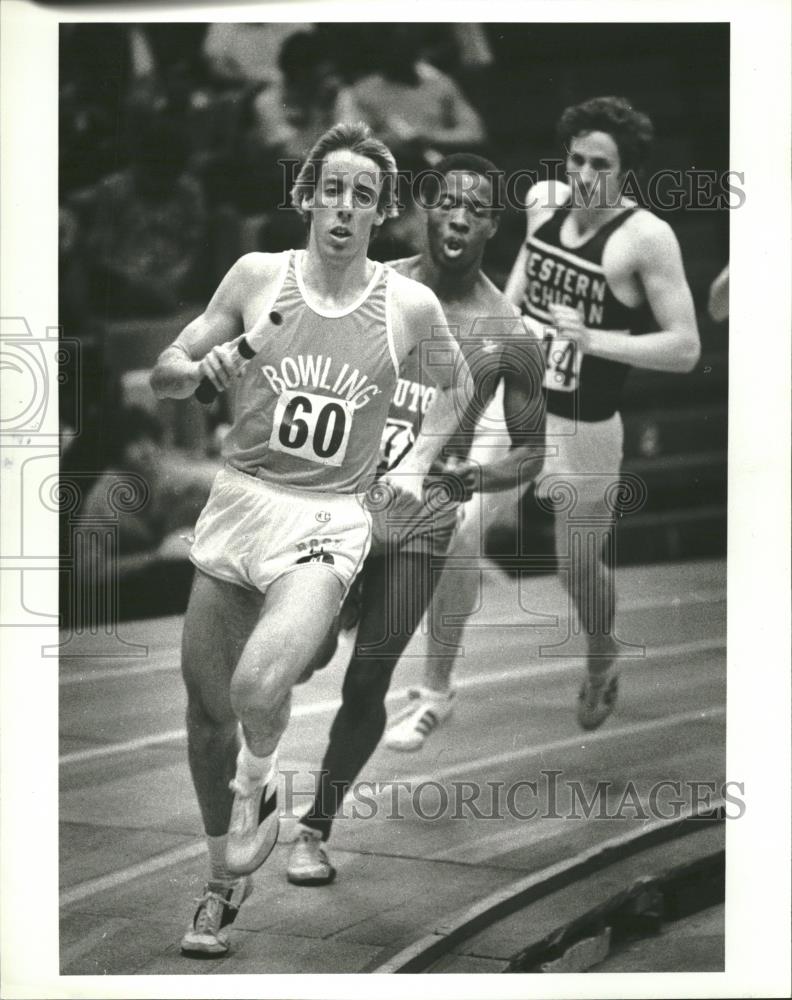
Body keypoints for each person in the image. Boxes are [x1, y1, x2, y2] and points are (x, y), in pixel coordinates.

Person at [149, 122, 470, 957]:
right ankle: (220, 887)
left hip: (327, 520)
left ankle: (258, 791)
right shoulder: (258, 277)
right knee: (206, 715)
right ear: (307, 196)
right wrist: (200, 371)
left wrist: (415, 468)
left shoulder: (406, 306)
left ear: (383, 212)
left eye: (363, 195)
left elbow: (455, 386)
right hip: (240, 504)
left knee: (259, 689)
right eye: (332, 189)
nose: (344, 206)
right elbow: (167, 371)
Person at [285, 153, 547, 885]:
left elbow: (530, 453)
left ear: (493, 223)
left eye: (477, 206)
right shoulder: (376, 282)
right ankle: (253, 770)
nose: (459, 214)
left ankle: (314, 829)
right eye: (447, 201)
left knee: (367, 685)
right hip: (339, 500)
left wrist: (479, 474)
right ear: (425, 210)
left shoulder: (508, 334)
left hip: (422, 520)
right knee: (298, 655)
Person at [503, 95, 700, 730]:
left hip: (587, 424)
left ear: (625, 171)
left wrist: (593, 340)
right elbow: (519, 285)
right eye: (577, 160)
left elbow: (686, 347)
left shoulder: (646, 237)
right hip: (523, 401)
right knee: (451, 513)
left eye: (602, 165)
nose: (585, 175)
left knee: (573, 565)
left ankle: (600, 657)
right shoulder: (542, 201)